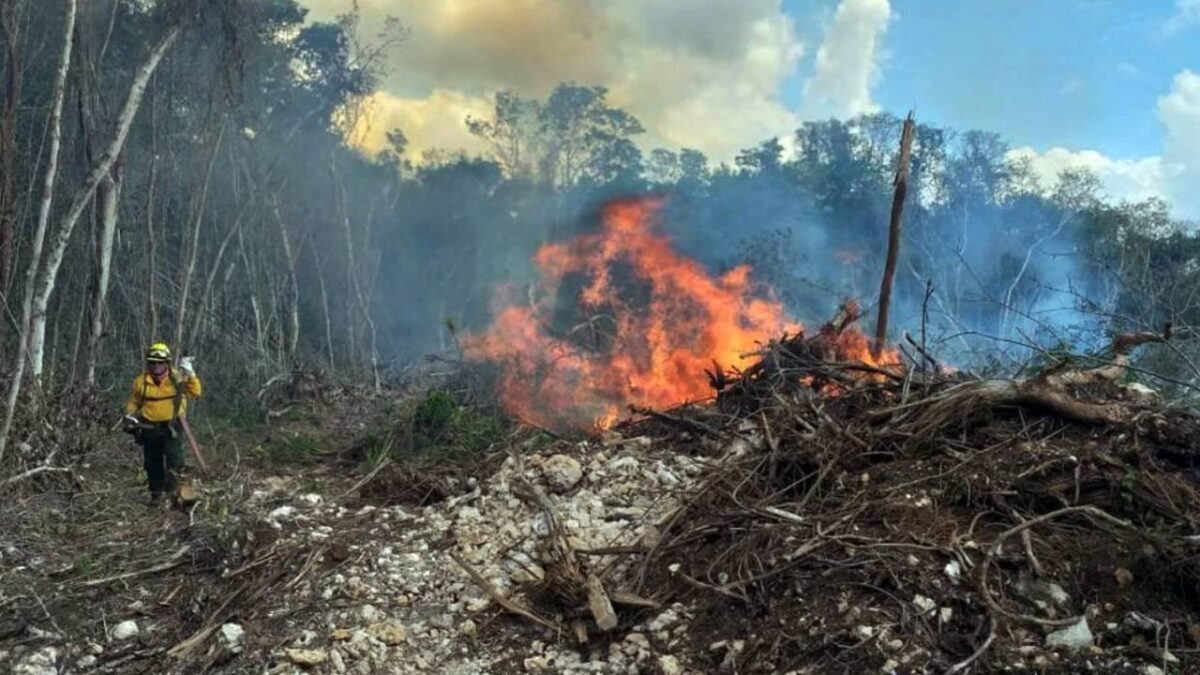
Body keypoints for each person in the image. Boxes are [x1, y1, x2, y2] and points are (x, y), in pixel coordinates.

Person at [123, 342, 202, 505]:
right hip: (149, 428)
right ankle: (156, 496)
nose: (156, 366)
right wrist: (129, 415)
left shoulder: (177, 379)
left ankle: (174, 494)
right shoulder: (141, 382)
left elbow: (196, 392)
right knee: (152, 463)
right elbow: (134, 401)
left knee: (175, 462)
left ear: (167, 362)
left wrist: (191, 374)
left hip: (172, 427)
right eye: (152, 362)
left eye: (160, 362)